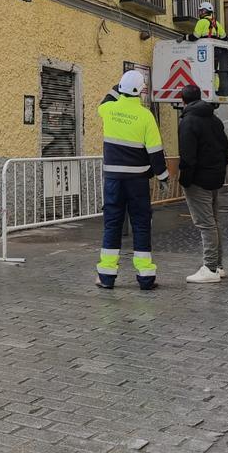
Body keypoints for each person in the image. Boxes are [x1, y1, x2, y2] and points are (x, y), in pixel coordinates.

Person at [96, 69, 169, 290]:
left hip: (113, 180)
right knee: (141, 224)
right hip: (137, 181)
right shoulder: (146, 116)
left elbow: (106, 99)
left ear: (121, 89)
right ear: (142, 91)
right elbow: (155, 151)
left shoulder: (108, 110)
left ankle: (107, 277)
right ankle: (146, 276)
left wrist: (118, 86)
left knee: (112, 225)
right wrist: (163, 176)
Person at [177, 84, 228, 284]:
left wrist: (185, 179)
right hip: (215, 177)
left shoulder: (188, 121)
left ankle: (209, 267)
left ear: (183, 100)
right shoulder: (215, 120)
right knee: (214, 222)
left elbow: (188, 156)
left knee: (206, 224)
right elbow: (226, 151)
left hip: (198, 179)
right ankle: (218, 266)